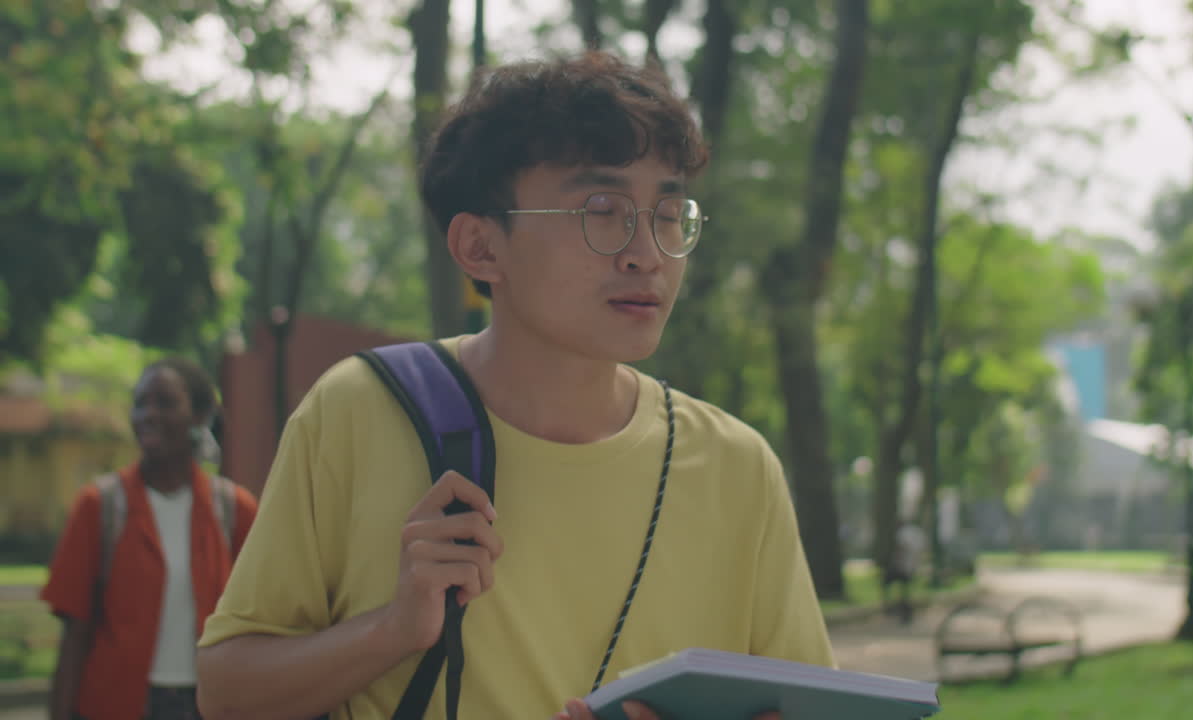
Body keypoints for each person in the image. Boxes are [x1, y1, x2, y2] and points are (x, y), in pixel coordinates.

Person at [195, 51, 833, 720]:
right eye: (602, 209)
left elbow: (807, 708)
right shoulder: (360, 412)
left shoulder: (736, 468)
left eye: (668, 215)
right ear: (480, 247)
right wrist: (392, 631)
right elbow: (227, 692)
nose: (646, 252)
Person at [41, 357, 259, 720]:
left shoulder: (234, 509)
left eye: (166, 402)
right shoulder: (100, 506)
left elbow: (259, 625)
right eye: (141, 403)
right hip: (117, 704)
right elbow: (75, 633)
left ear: (200, 416)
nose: (149, 415)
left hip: (209, 704)